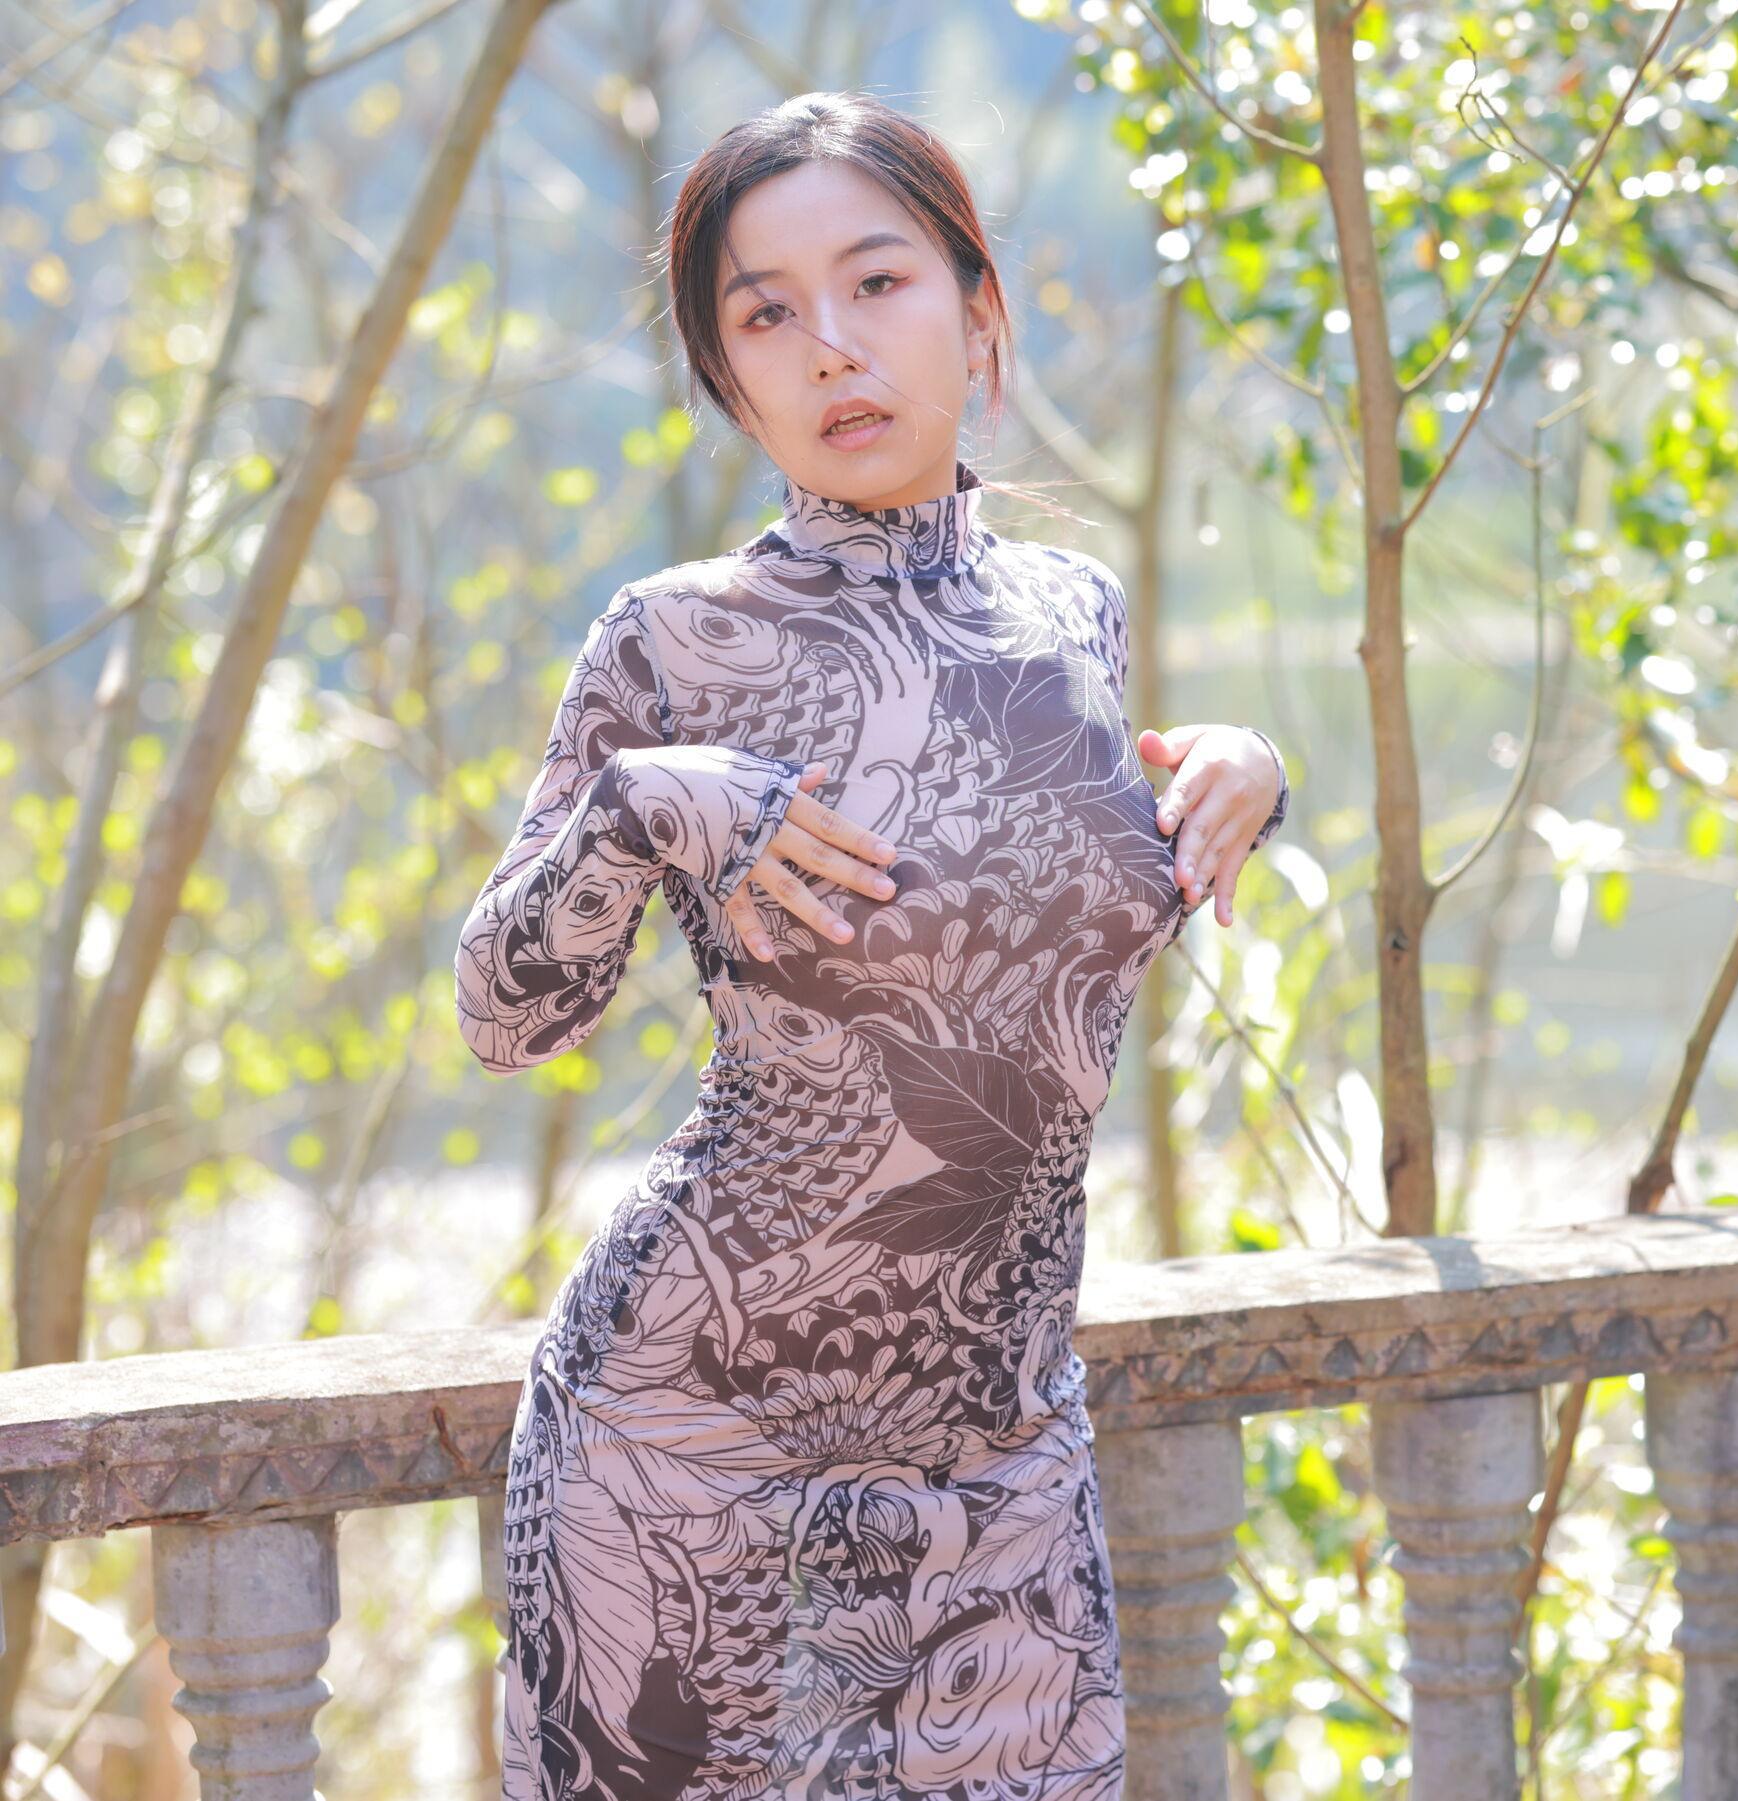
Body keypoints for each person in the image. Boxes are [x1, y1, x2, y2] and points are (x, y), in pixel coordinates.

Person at [452, 89, 1290, 1800]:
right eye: (767, 314)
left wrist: (1246, 774)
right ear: (729, 377)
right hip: (689, 1459)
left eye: (879, 282)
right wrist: (638, 804)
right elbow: (501, 1016)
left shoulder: (1074, 614)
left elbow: (1037, 915)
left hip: (1004, 1463)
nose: (832, 344)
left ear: (979, 313)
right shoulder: (676, 640)